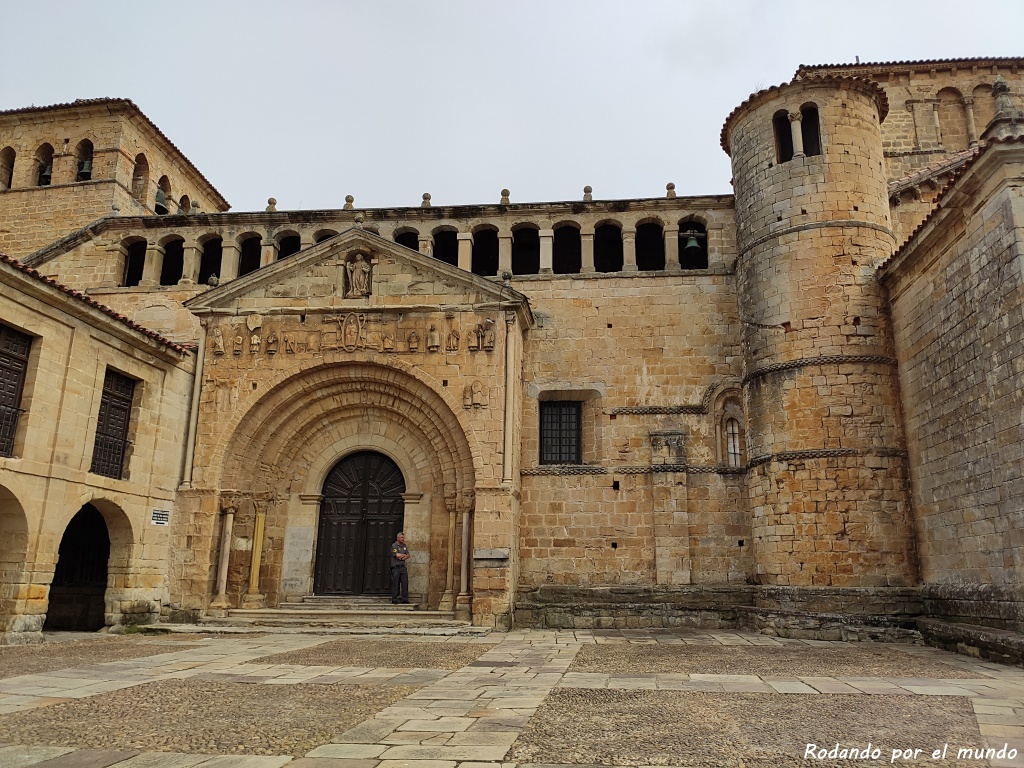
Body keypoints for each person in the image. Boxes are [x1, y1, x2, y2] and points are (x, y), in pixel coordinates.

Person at [389, 531, 410, 604]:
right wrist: (402, 556)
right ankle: (394, 598)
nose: (403, 539)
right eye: (402, 537)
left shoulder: (404, 546)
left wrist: (402, 556)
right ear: (398, 538)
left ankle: (405, 599)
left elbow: (408, 555)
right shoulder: (394, 546)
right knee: (395, 583)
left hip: (403, 567)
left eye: (403, 537)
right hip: (396, 567)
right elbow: (397, 555)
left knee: (405, 583)